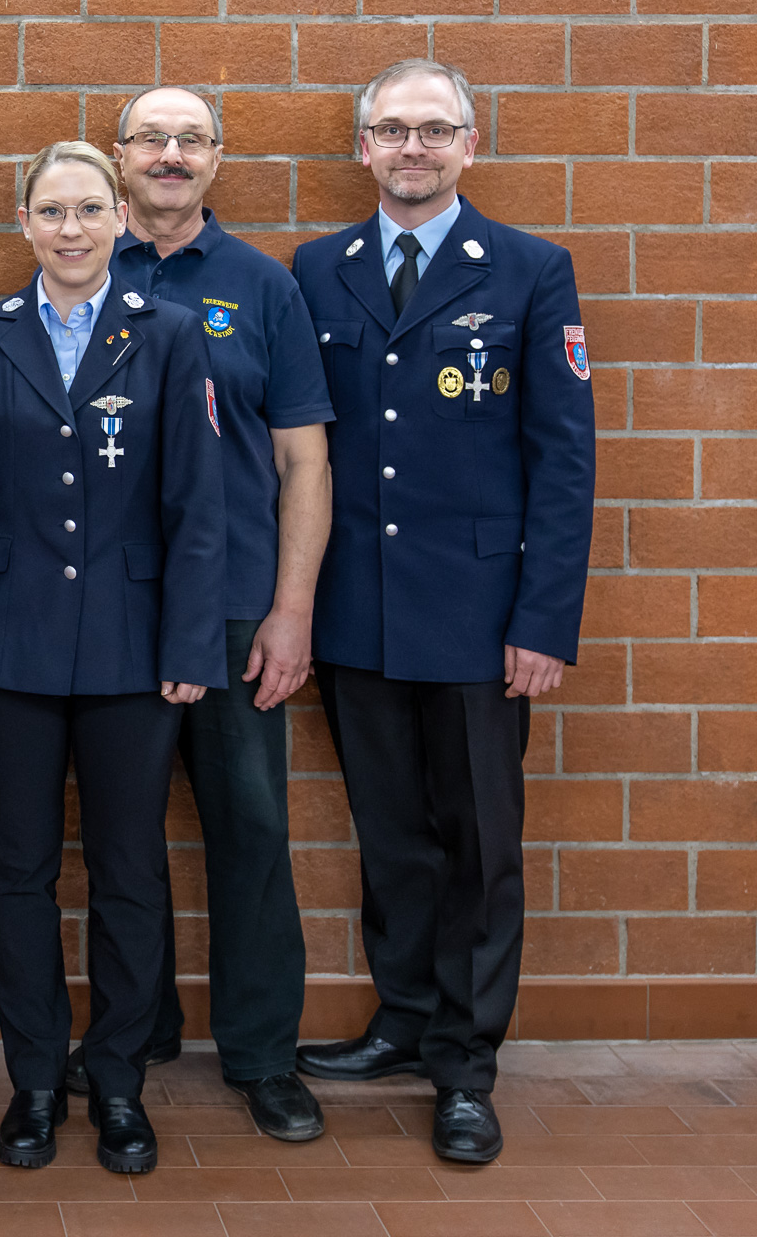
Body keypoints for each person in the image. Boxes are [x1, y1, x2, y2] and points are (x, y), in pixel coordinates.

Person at [290, 59, 595, 1164]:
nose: (411, 148)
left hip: (477, 614)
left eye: (434, 130)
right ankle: (406, 1021)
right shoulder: (318, 270)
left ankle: (466, 1066)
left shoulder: (528, 270)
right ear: (360, 149)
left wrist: (543, 619)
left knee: (477, 845)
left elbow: (563, 460)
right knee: (392, 836)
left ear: (470, 144)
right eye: (390, 130)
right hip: (358, 611)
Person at [0, 141, 227, 1174]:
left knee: (131, 871)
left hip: (137, 654)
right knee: (19, 870)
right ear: (24, 221)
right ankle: (36, 1079)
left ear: (119, 220)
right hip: (5, 652)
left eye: (91, 209)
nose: (71, 228)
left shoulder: (171, 334)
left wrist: (190, 638)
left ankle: (120, 1079)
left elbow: (196, 506)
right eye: (51, 210)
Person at [55, 87, 334, 1142]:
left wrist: (290, 608)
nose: (169, 156)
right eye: (149, 139)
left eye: (191, 140)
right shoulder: (75, 264)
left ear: (217, 159)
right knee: (121, 834)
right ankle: (141, 1025)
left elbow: (304, 459)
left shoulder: (263, 287)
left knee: (252, 825)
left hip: (230, 611)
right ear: (117, 157)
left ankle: (264, 1051)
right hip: (114, 607)